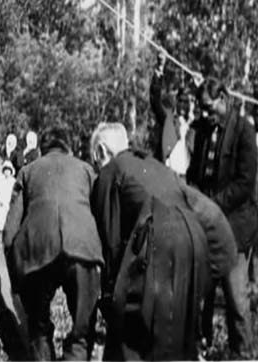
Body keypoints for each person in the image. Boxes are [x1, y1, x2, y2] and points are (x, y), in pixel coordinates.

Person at [90, 121, 236, 361]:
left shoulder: (111, 170)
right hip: (194, 241)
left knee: (134, 335)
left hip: (161, 242)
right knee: (176, 337)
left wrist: (110, 299)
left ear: (101, 152)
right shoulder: (154, 165)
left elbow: (111, 242)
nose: (97, 167)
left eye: (96, 162)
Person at [3, 127, 102, 361]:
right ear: (68, 148)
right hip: (82, 248)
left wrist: (16, 279)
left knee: (38, 329)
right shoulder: (87, 170)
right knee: (82, 331)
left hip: (37, 250)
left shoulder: (27, 171)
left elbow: (9, 232)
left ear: (42, 150)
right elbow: (101, 217)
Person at [187, 77, 257, 356]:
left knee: (236, 299)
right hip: (206, 225)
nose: (205, 114)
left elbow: (244, 182)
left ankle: (243, 354)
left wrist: (212, 205)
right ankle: (198, 348)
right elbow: (195, 172)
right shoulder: (204, 131)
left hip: (235, 228)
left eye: (208, 108)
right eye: (201, 109)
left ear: (224, 100)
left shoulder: (244, 131)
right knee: (196, 294)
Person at [149, 51, 193, 177]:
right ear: (176, 101)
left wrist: (199, 85)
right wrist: (160, 68)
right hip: (167, 176)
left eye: (188, 101)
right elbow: (155, 100)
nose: (184, 105)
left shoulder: (196, 125)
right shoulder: (168, 118)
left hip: (187, 181)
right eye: (181, 100)